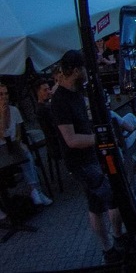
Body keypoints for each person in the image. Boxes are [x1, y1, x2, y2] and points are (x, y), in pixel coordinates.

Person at [51, 50, 128, 263]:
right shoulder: (60, 101)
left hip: (91, 157)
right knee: (112, 197)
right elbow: (71, 139)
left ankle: (110, 247)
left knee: (96, 205)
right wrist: (99, 139)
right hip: (80, 163)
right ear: (76, 70)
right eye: (84, 68)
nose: (87, 72)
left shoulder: (75, 92)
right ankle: (115, 241)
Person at [0, 83, 54, 212]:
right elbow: (2, 135)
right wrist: (2, 114)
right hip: (1, 150)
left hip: (14, 145)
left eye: (6, 93)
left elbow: (18, 133)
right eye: (0, 94)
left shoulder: (14, 110)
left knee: (27, 154)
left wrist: (19, 144)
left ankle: (35, 190)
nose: (4, 97)